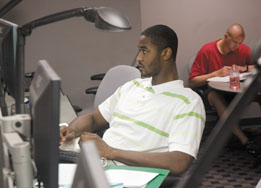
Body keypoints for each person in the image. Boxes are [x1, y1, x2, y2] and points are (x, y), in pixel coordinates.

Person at [60, 25, 206, 175]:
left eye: (144, 51)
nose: (138, 58)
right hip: (99, 161)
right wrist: (71, 130)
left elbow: (179, 162)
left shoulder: (188, 102)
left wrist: (110, 152)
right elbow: (93, 118)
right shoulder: (132, 86)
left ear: (166, 53)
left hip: (124, 173)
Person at [188, 23, 258, 155]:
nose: (237, 46)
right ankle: (245, 141)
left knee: (253, 92)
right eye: (235, 42)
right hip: (209, 91)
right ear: (226, 36)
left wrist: (245, 68)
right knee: (216, 96)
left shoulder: (242, 49)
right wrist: (215, 74)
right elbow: (192, 81)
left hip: (231, 89)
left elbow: (260, 66)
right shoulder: (207, 51)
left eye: (240, 43)